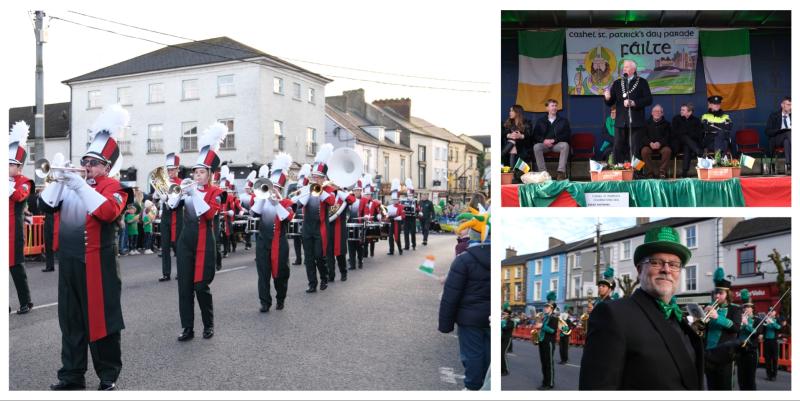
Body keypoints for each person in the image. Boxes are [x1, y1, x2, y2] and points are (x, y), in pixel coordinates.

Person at [39, 105, 130, 391]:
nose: (87, 165)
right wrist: (58, 179)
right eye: (85, 160)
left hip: (98, 263)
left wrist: (78, 184)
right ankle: (72, 375)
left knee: (102, 319)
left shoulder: (114, 187)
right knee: (70, 321)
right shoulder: (73, 182)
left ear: (107, 167)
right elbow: (45, 205)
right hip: (69, 261)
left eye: (94, 162)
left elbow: (107, 212)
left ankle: (108, 375)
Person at [579, 226, 703, 390]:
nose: (666, 269)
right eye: (656, 262)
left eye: (674, 264)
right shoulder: (612, 314)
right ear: (639, 270)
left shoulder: (680, 320)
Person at [170, 122, 227, 342]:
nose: (197, 176)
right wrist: (173, 194)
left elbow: (209, 214)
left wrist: (194, 194)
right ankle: (187, 328)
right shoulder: (188, 188)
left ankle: (208, 324)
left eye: (202, 172)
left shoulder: (217, 192)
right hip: (186, 242)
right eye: (196, 172)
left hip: (205, 242)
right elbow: (172, 205)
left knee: (201, 287)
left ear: (210, 174)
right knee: (184, 288)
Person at [438, 195, 490, 391]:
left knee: (473, 355)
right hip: (489, 317)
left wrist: (445, 325)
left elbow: (451, 296)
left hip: (469, 318)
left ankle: (473, 388)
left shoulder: (464, 259)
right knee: (489, 354)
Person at [252, 153, 294, 312]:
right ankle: (265, 302)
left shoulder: (287, 203)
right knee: (263, 274)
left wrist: (276, 203)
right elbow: (253, 213)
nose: (272, 190)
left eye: (275, 187)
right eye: (270, 186)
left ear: (281, 189)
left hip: (279, 242)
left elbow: (287, 217)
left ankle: (280, 298)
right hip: (263, 242)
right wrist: (263, 198)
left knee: (281, 274)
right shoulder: (261, 201)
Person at [295, 144, 335, 293]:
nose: (315, 179)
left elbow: (332, 202)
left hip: (320, 227)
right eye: (314, 176)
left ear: (323, 178)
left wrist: (321, 191)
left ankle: (324, 277)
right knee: (309, 258)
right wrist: (305, 193)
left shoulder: (328, 189)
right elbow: (298, 205)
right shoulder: (306, 188)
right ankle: (312, 283)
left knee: (319, 256)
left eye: (318, 177)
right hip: (307, 227)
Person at [603, 59, 653, 163]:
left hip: (636, 122)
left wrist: (634, 103)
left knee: (635, 149)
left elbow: (649, 100)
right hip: (620, 122)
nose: (624, 69)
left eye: (626, 67)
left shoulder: (642, 82)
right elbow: (610, 102)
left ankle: (637, 171)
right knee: (617, 147)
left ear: (633, 69)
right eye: (623, 67)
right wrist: (607, 98)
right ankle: (618, 169)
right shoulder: (617, 83)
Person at [9, 121, 34, 314]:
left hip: (14, 232)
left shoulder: (25, 181)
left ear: (19, 166)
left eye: (10, 164)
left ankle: (26, 302)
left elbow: (19, 196)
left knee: (17, 269)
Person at [704, 267, 742, 390]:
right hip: (709, 353)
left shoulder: (735, 309)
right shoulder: (709, 307)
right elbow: (704, 329)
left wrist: (717, 317)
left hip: (725, 354)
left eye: (720, 293)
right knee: (711, 387)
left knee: (724, 387)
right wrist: (700, 317)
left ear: (727, 294)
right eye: (716, 292)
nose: (717, 295)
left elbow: (736, 328)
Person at [158, 153, 183, 281]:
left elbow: (184, 201)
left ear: (178, 169)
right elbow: (157, 197)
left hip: (178, 216)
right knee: (165, 246)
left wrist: (172, 198)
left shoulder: (182, 183)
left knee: (178, 246)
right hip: (166, 216)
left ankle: (181, 272)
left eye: (172, 169)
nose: (170, 172)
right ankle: (166, 273)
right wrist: (158, 196)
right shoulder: (163, 182)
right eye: (168, 170)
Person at [532, 99, 571, 180]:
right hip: (544, 145)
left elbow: (567, 135)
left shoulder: (563, 121)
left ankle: (561, 173)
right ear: (547, 108)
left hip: (556, 144)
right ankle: (543, 173)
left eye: (556, 106)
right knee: (536, 147)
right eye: (552, 106)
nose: (554, 107)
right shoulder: (540, 121)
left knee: (565, 145)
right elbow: (535, 135)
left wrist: (554, 140)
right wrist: (543, 141)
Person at [671, 103, 704, 178]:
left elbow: (698, 134)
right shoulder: (676, 119)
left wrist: (686, 133)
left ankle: (684, 173)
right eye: (681, 110)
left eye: (683, 110)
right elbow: (674, 132)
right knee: (684, 137)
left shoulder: (696, 120)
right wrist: (687, 133)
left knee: (687, 146)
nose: (681, 111)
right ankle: (698, 151)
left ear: (689, 112)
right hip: (678, 144)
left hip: (690, 144)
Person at [640, 104, 673, 178]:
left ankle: (662, 172)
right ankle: (650, 172)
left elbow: (668, 137)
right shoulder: (646, 123)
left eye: (659, 111)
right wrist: (650, 143)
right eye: (655, 111)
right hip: (649, 146)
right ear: (652, 113)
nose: (657, 113)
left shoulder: (667, 124)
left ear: (662, 113)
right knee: (644, 151)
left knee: (667, 151)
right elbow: (643, 136)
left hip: (662, 146)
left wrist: (660, 143)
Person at [535, 292, 559, 390]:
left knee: (549, 363)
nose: (545, 308)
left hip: (549, 343)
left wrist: (542, 326)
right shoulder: (545, 317)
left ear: (551, 308)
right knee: (544, 363)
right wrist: (537, 332)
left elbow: (552, 331)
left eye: (547, 307)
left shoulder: (554, 318)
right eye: (545, 306)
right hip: (542, 342)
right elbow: (542, 329)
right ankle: (545, 382)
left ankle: (550, 383)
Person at [502, 104, 533, 175]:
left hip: (523, 148)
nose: (510, 112)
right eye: (510, 111)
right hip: (510, 148)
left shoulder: (527, 122)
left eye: (512, 111)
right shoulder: (508, 122)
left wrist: (520, 136)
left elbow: (529, 135)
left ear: (517, 112)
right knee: (512, 144)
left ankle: (501, 157)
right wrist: (509, 135)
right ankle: (513, 174)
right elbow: (504, 133)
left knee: (512, 144)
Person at [736, 289, 757, 390]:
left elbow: (755, 332)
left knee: (750, 378)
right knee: (741, 378)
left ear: (752, 308)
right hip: (740, 350)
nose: (746, 309)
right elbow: (735, 331)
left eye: (749, 307)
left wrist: (746, 324)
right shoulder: (739, 318)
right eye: (745, 307)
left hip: (751, 351)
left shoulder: (756, 319)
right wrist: (740, 323)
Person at [290, 163, 311, 265]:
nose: (298, 189)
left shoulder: (307, 196)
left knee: (305, 241)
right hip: (296, 219)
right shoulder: (295, 196)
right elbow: (292, 208)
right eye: (298, 187)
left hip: (305, 220)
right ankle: (298, 259)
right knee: (296, 240)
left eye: (300, 187)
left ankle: (307, 259)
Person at [765, 96, 791, 174]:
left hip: (788, 139)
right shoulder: (774, 115)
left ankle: (788, 164)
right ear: (782, 105)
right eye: (788, 104)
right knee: (788, 132)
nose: (791, 107)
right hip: (776, 139)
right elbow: (767, 131)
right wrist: (780, 130)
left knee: (787, 141)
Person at [347, 177, 366, 271]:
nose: (357, 192)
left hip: (360, 225)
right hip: (350, 225)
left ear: (361, 191)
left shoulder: (364, 200)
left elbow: (366, 211)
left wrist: (366, 216)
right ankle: (352, 264)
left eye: (358, 190)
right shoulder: (348, 199)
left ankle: (360, 261)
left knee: (359, 246)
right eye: (355, 190)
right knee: (350, 245)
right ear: (353, 191)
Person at [386, 179, 405, 256]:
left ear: (398, 200)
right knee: (390, 237)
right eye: (393, 200)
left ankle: (400, 249)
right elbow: (386, 214)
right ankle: (391, 250)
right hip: (391, 223)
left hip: (397, 223)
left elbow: (403, 216)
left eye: (396, 200)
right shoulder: (389, 206)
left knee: (397, 237)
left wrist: (395, 218)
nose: (394, 201)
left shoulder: (401, 207)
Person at [762, 310, 782, 381]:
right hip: (766, 341)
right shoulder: (766, 319)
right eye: (769, 311)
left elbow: (779, 327)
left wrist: (772, 322)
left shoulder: (777, 319)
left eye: (772, 311)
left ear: (775, 313)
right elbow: (763, 328)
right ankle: (768, 374)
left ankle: (774, 375)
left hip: (774, 341)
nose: (770, 312)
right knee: (767, 359)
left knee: (774, 358)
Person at [402, 178, 419, 250]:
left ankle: (414, 245)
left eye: (411, 195)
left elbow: (418, 208)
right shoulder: (404, 200)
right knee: (406, 233)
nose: (409, 196)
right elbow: (402, 208)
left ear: (412, 195)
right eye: (408, 195)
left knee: (413, 232)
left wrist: (416, 210)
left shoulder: (415, 201)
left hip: (412, 218)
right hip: (406, 218)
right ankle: (407, 246)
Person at [500, 309, 515, 376]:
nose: (503, 315)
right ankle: (501, 369)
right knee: (500, 354)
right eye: (503, 313)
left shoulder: (511, 322)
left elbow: (505, 328)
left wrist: (502, 322)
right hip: (501, 339)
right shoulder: (503, 321)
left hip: (507, 339)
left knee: (503, 354)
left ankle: (506, 370)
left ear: (508, 315)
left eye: (505, 314)